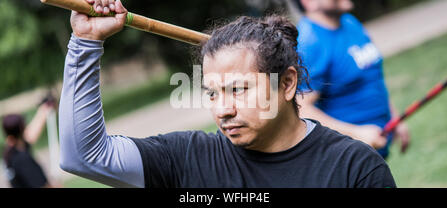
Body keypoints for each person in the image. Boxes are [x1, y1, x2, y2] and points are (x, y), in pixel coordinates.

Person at [59, 0, 396, 188]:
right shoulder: (188, 158)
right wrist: (86, 43)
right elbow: (83, 157)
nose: (223, 110)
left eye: (238, 90)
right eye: (211, 93)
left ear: (287, 83)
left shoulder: (355, 169)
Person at [292, 0, 410, 158]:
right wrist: (356, 134)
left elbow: (372, 77)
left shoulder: (349, 22)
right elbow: (301, 108)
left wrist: (394, 117)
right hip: (348, 160)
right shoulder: (308, 43)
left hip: (375, 150)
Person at [2, 101, 55, 188]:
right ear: (23, 129)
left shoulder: (11, 151)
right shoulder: (22, 159)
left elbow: (31, 134)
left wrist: (44, 109)